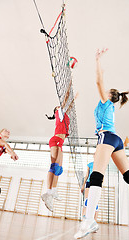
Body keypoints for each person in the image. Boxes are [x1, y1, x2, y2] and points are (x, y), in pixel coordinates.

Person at [74, 49, 129, 239]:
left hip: (106, 137)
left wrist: (97, 61)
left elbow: (98, 81)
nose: (103, 91)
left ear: (109, 95)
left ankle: (89, 219)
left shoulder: (105, 101)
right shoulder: (110, 106)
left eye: (106, 91)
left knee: (96, 177)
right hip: (116, 139)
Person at [42, 80, 78, 212]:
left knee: (57, 167)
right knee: (56, 167)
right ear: (57, 110)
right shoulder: (59, 113)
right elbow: (66, 99)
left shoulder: (64, 116)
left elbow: (69, 104)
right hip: (56, 140)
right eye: (59, 106)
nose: (61, 107)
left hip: (57, 141)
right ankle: (51, 192)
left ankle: (50, 192)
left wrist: (74, 98)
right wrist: (69, 84)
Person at [0, 128, 19, 206]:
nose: (8, 131)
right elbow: (5, 144)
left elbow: (6, 149)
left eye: (9, 131)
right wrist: (12, 153)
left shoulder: (2, 147)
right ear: (0, 133)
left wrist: (11, 154)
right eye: (5, 130)